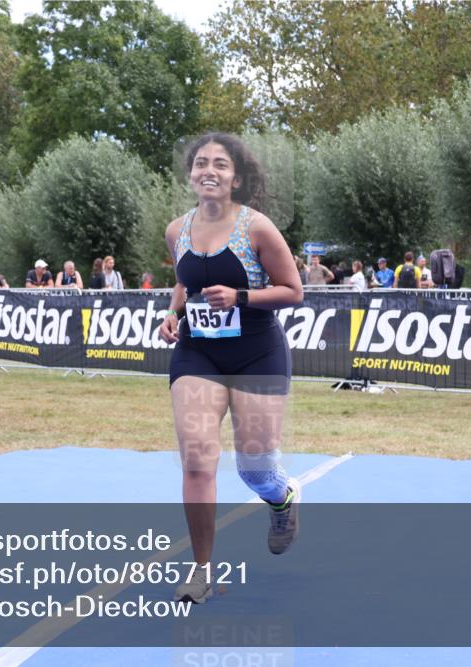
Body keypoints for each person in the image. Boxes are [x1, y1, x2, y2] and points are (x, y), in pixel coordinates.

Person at [159, 133, 304, 604]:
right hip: (197, 354)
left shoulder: (257, 228)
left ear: (236, 178)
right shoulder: (176, 230)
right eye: (201, 163)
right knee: (198, 458)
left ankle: (281, 498)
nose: (209, 171)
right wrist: (173, 313)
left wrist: (240, 296)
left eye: (220, 164)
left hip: (257, 353)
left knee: (255, 467)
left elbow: (293, 291)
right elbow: (184, 281)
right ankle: (201, 571)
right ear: (191, 175)